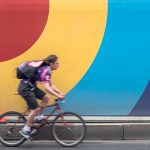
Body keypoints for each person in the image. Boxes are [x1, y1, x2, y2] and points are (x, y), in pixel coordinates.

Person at [18, 55, 65, 140]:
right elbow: (46, 87)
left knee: (46, 98)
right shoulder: (46, 70)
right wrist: (58, 96)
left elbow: (51, 85)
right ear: (51, 64)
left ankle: (39, 117)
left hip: (31, 87)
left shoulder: (48, 70)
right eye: (57, 63)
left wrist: (60, 92)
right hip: (25, 88)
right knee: (35, 109)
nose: (58, 65)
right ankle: (25, 129)